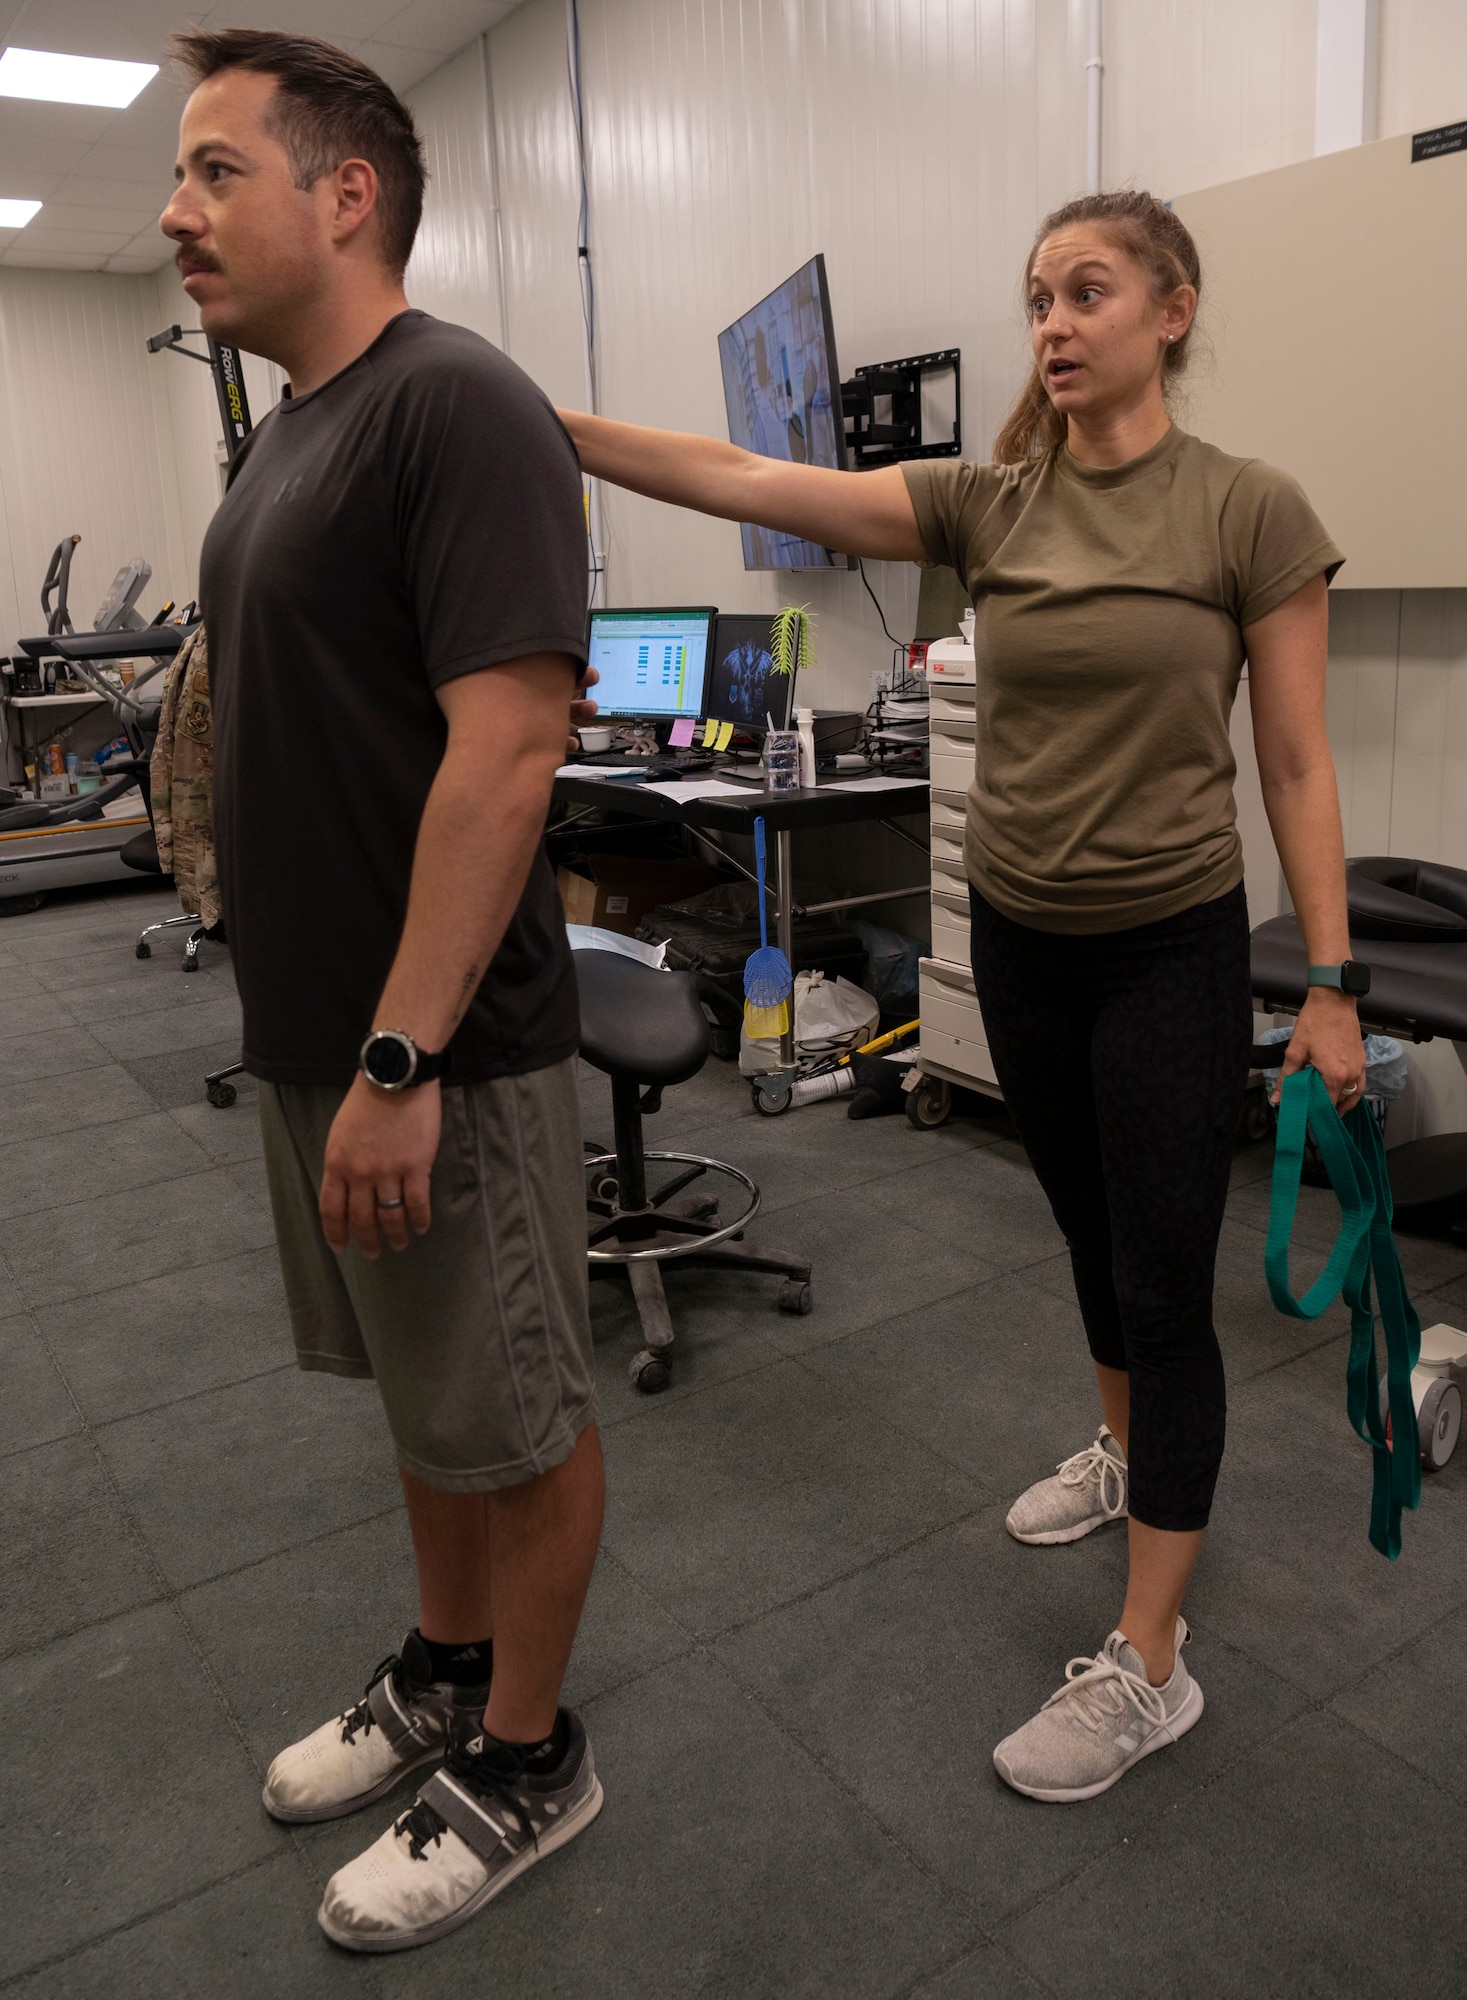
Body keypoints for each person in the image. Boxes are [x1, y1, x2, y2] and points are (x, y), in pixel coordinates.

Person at [559, 190, 1365, 1803]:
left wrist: (1331, 982)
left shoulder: (1248, 510)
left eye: (1089, 293)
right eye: (1039, 300)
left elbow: (1292, 756)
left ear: (1173, 311)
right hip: (1023, 935)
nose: (1055, 324)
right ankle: (1123, 1452)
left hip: (1166, 946)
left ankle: (1152, 1663)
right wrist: (544, 421)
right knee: (1088, 1239)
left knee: (1161, 1282)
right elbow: (749, 475)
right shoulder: (995, 501)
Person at [162, 29, 607, 1952]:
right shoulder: (287, 432)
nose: (176, 212)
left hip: (442, 1048)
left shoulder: (456, 407)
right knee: (423, 1399)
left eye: (214, 171)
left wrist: (407, 1053)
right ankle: (443, 1665)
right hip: (319, 1037)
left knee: (512, 1406)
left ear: (346, 195)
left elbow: (506, 756)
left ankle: (526, 1755)